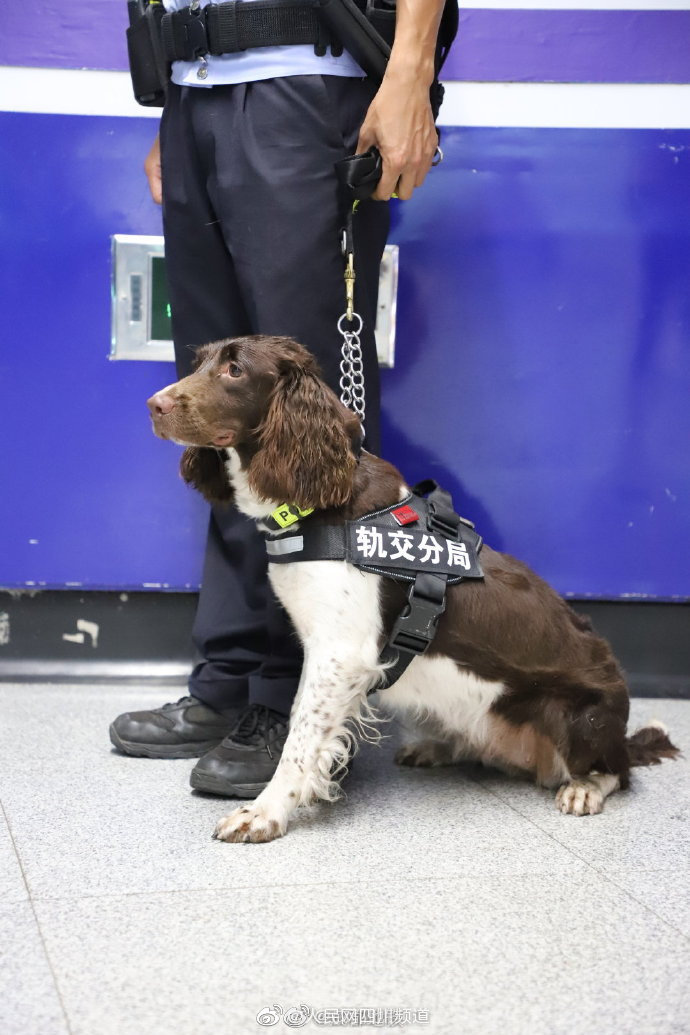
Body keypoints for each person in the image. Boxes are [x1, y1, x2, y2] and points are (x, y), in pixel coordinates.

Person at [110, 0, 447, 796]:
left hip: (305, 85)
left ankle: (290, 696)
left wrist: (409, 73)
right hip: (197, 88)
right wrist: (178, 102)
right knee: (220, 411)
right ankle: (229, 677)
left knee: (300, 418)